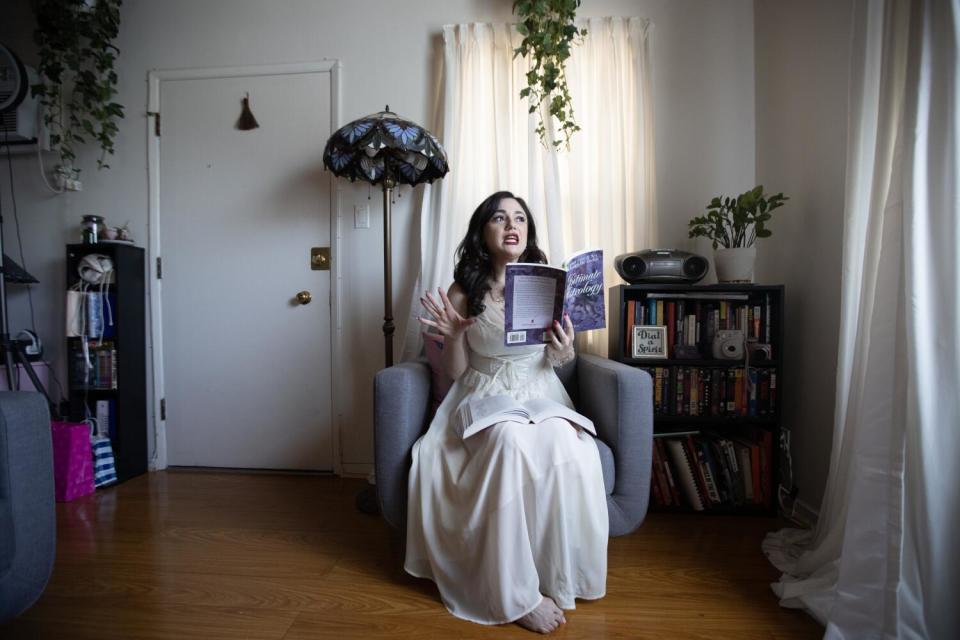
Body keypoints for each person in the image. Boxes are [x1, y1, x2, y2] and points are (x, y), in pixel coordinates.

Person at [406, 191, 608, 634]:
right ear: (484, 231)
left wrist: (564, 349)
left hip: (541, 390)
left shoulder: (546, 285)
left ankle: (554, 576)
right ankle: (513, 593)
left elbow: (558, 362)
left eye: (519, 218)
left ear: (528, 232)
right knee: (507, 441)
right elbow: (457, 375)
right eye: (499, 218)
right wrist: (456, 336)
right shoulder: (464, 290)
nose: (511, 225)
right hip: (483, 391)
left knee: (566, 443)